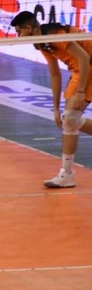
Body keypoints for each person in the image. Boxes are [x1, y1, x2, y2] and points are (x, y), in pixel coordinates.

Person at [10, 11, 92, 188]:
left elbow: (84, 57)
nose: (18, 35)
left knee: (70, 119)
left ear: (28, 28)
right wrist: (55, 108)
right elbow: (55, 74)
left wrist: (80, 91)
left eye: (19, 31)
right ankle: (67, 175)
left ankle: (67, 174)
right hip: (79, 70)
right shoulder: (43, 43)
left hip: (88, 66)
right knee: (69, 120)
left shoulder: (55, 35)